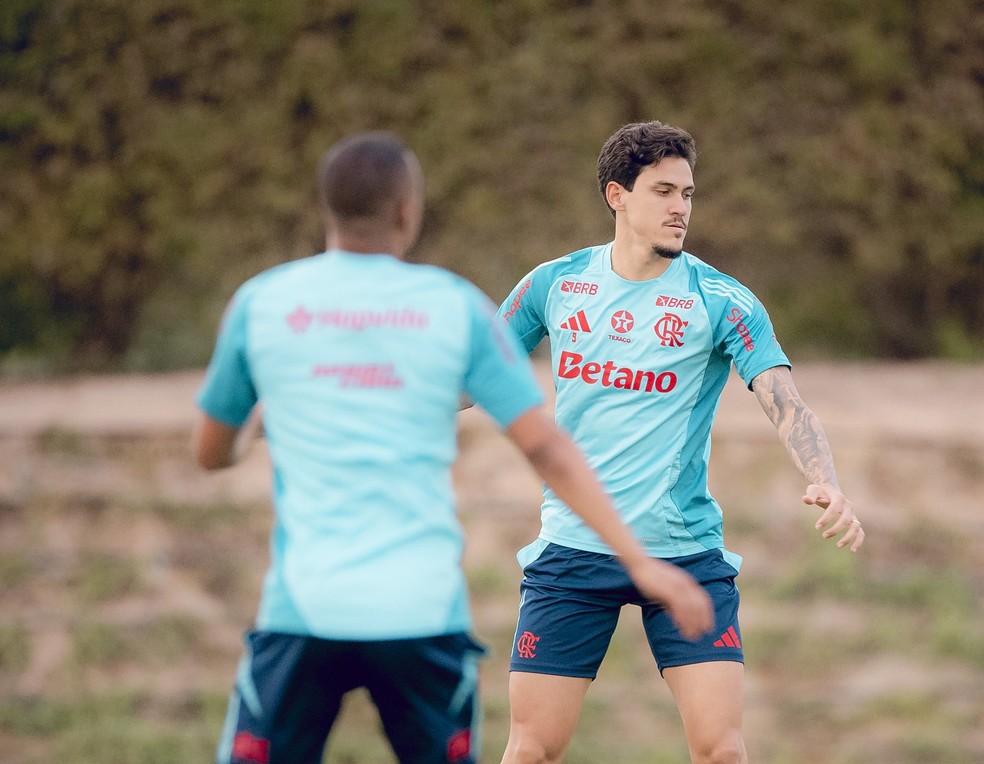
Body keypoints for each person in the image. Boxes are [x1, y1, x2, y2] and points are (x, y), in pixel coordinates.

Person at [192, 131, 714, 764]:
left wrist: (258, 424)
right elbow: (544, 445)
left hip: (301, 613)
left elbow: (209, 452)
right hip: (421, 614)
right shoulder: (454, 307)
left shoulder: (261, 303)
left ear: (326, 210)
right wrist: (640, 560)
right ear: (408, 211)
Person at [495, 120, 866, 764]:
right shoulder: (554, 284)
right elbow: (474, 379)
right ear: (618, 195)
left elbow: (786, 402)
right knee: (531, 749)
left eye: (688, 194)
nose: (680, 209)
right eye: (664, 191)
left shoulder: (721, 300)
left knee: (721, 751)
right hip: (573, 548)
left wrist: (825, 478)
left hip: (683, 551)